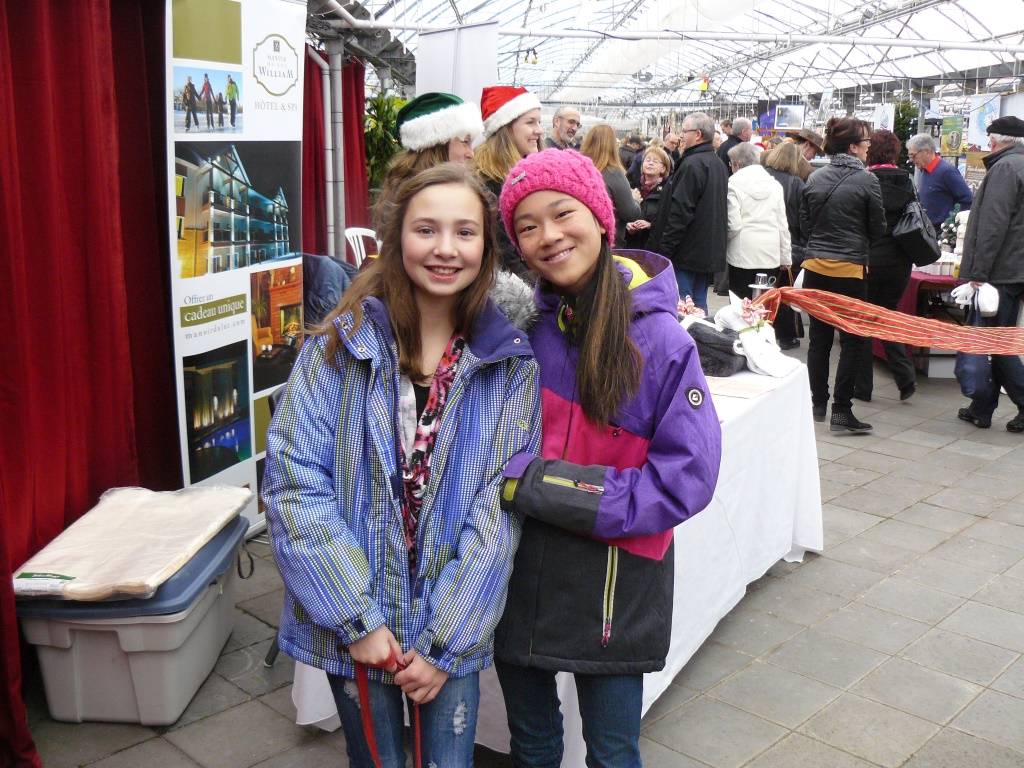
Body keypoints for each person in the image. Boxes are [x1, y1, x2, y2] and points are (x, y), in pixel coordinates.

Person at [262, 163, 541, 768]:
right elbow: (295, 486)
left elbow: (498, 514)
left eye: (465, 232)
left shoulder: (508, 366)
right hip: (358, 628)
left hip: (449, 635)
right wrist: (356, 620)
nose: (445, 249)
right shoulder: (338, 348)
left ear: (487, 248)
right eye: (426, 230)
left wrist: (447, 642)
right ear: (397, 240)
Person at [495, 147, 722, 768]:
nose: (548, 236)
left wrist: (536, 486)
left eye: (562, 213)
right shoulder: (521, 332)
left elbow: (687, 479)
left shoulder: (661, 339)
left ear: (600, 217)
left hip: (615, 586)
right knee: (533, 744)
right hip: (520, 573)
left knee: (614, 750)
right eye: (527, 226)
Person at [799, 116, 886, 432]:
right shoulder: (867, 181)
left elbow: (804, 224)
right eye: (865, 143)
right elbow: (878, 228)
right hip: (850, 271)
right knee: (853, 340)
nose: (868, 148)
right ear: (852, 147)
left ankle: (817, 404)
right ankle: (841, 410)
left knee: (819, 340)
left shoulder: (814, 178)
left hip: (815, 268)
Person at [956, 116, 1024, 432]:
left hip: (1003, 270)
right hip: (1015, 268)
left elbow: (993, 225)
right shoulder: (1016, 165)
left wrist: (978, 272)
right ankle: (981, 407)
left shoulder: (1005, 168)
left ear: (995, 141)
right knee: (996, 339)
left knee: (998, 343)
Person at [855, 128, 918, 403]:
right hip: (899, 260)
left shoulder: (864, 180)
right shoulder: (906, 180)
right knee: (888, 316)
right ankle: (905, 377)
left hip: (868, 258)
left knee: (863, 320)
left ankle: (863, 388)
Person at [648, 111, 728, 312]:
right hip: (704, 251)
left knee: (682, 307)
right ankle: (702, 343)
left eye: (684, 131)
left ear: (698, 134)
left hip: (686, 251)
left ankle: (688, 343)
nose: (681, 136)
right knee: (699, 306)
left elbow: (681, 211)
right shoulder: (716, 163)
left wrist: (665, 249)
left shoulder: (692, 164)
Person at [474, 85, 543, 280]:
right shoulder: (486, 180)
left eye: (538, 122)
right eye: (530, 122)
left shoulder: (525, 170)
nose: (539, 130)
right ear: (505, 128)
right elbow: (501, 250)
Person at [725, 142, 791, 299]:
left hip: (742, 252)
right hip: (770, 252)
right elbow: (782, 224)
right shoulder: (775, 185)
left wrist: (724, 242)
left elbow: (733, 224)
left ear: (736, 164)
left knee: (740, 304)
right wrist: (785, 256)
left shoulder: (733, 184)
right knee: (764, 304)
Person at [383, 92, 483, 193]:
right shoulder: (428, 196)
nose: (471, 154)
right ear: (437, 145)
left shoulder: (407, 190)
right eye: (465, 142)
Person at [762, 142, 809, 349]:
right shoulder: (796, 182)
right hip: (788, 242)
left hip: (760, 242)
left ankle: (762, 330)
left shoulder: (761, 176)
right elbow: (803, 217)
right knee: (785, 291)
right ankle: (786, 335)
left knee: (763, 289)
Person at [581, 125, 643, 248]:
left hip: (584, 239)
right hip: (609, 241)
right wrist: (635, 200)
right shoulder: (613, 173)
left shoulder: (580, 170)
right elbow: (630, 213)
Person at [907, 133, 974, 229]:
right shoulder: (924, 171)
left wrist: (952, 228)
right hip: (928, 232)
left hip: (941, 234)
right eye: (910, 156)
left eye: (913, 155)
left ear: (927, 152)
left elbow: (968, 200)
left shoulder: (947, 171)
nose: (911, 160)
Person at [625, 145, 671, 249]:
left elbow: (669, 220)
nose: (650, 163)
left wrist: (651, 225)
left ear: (663, 168)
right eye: (647, 160)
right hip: (632, 245)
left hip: (653, 246)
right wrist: (628, 226)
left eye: (655, 161)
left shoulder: (667, 190)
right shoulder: (631, 187)